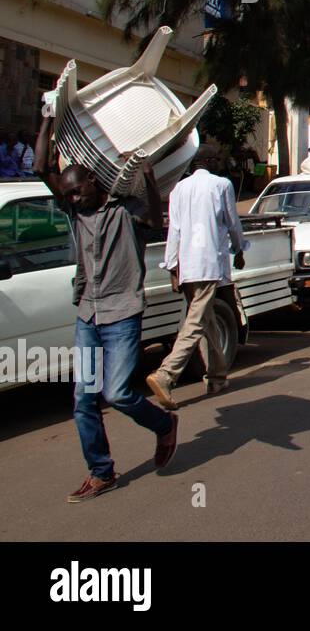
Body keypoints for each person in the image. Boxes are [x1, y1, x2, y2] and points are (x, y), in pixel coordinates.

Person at [34, 113, 179, 502]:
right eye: (68, 196)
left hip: (122, 313)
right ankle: (102, 472)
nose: (73, 200)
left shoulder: (124, 210)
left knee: (116, 393)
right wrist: (48, 118)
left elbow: (153, 217)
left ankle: (164, 424)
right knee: (83, 398)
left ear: (94, 184)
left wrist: (147, 175)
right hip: (88, 313)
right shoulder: (74, 213)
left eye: (77, 192)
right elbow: (39, 166)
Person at [146, 145, 250, 409]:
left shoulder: (179, 189)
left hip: (188, 265)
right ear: (209, 161)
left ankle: (216, 376)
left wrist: (172, 266)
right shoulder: (221, 185)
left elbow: (175, 229)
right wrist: (239, 249)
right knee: (195, 323)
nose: (218, 163)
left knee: (208, 320)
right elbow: (232, 221)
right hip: (208, 263)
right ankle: (166, 375)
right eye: (216, 159)